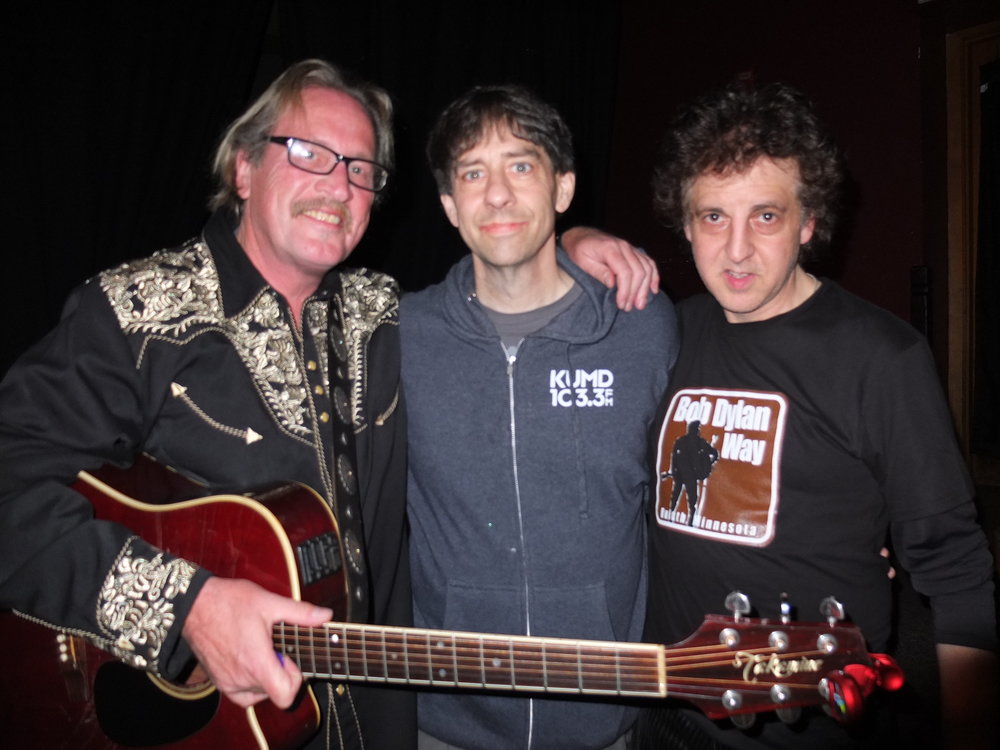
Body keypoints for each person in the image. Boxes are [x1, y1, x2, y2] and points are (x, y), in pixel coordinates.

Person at [0, 59, 414, 750]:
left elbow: (503, 306)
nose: (337, 185)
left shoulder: (393, 318)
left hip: (373, 724)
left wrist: (573, 247)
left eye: (360, 168)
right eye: (309, 153)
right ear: (244, 170)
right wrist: (187, 608)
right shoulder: (136, 315)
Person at [576, 80, 998, 749]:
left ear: (808, 223)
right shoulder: (662, 337)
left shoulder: (881, 357)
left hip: (806, 723)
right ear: (685, 226)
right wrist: (576, 237)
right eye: (714, 217)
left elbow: (957, 571)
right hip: (664, 709)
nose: (737, 250)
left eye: (765, 217)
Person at [399, 85, 678, 750]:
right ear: (448, 206)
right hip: (446, 724)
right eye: (474, 173)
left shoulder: (644, 328)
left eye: (521, 166)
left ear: (563, 189)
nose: (497, 195)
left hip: (602, 717)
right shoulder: (400, 337)